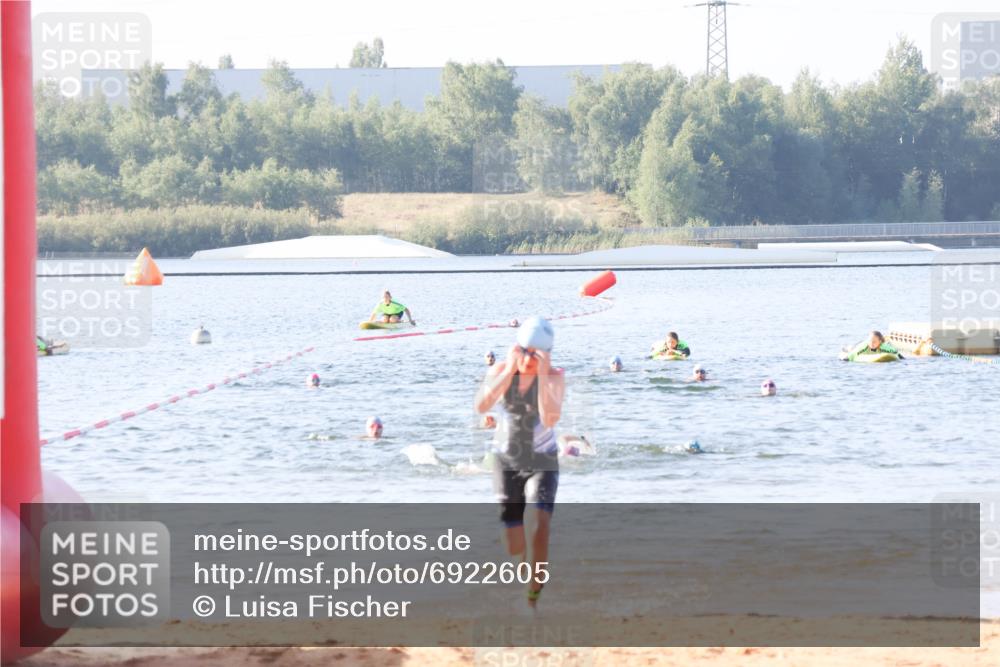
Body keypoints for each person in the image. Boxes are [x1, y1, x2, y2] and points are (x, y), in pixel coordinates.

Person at [475, 316, 564, 608]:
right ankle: (527, 566)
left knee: (539, 526)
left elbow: (550, 417)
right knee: (515, 546)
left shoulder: (554, 376)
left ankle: (532, 600)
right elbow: (481, 405)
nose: (529, 359)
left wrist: (541, 373)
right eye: (524, 351)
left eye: (535, 354)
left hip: (543, 460)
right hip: (507, 462)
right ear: (516, 347)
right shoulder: (501, 369)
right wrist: (511, 370)